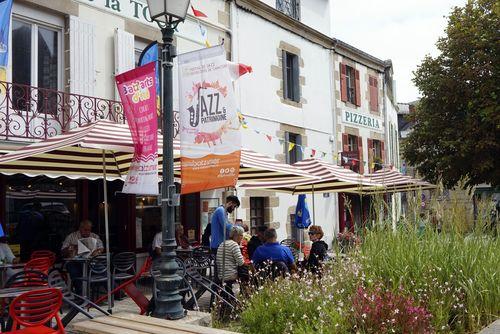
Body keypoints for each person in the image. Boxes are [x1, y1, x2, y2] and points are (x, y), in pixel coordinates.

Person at [61, 220, 104, 295]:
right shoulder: (72, 236)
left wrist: (97, 252)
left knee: (103, 270)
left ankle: (115, 292)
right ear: (80, 228)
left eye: (89, 230)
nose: (87, 232)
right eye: (85, 230)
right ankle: (80, 295)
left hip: (90, 262)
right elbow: (62, 251)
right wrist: (72, 247)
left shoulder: (94, 236)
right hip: (73, 262)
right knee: (75, 272)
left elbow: (101, 248)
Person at [216, 225, 246, 319]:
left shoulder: (223, 243)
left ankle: (233, 303)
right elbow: (241, 262)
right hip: (230, 275)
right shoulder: (234, 245)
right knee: (247, 275)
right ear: (238, 236)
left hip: (221, 274)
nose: (242, 238)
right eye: (242, 236)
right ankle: (244, 298)